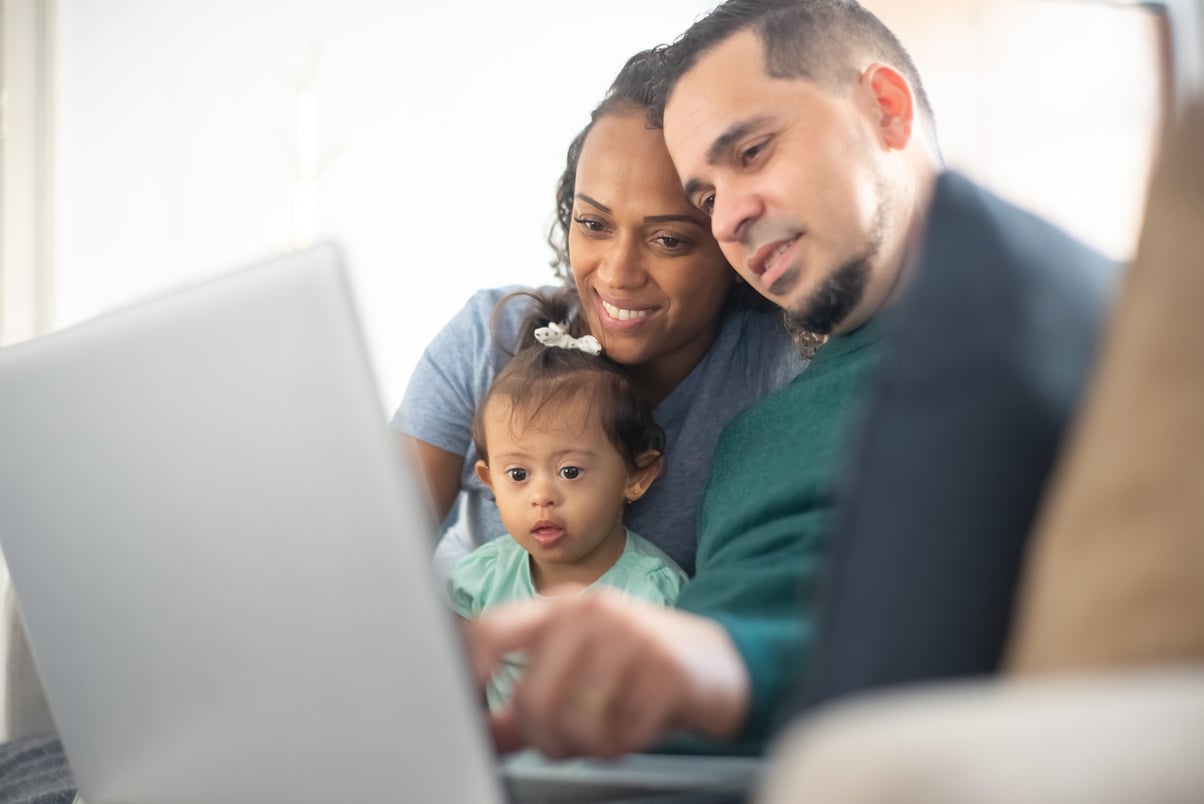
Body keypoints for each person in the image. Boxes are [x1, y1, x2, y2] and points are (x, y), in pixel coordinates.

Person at [469, 0, 942, 761]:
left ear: (884, 109)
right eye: (709, 196)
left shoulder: (1008, 330)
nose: (731, 219)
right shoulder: (760, 435)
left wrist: (713, 669)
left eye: (752, 151)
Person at [393, 49, 808, 581]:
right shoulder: (486, 339)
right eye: (593, 224)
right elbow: (371, 558)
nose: (617, 273)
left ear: (733, 241)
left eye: (668, 239)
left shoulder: (778, 370)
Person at [448, 289, 688, 710]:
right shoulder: (479, 580)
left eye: (570, 472)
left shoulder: (652, 593)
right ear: (489, 481)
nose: (542, 496)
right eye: (518, 475)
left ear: (636, 475)